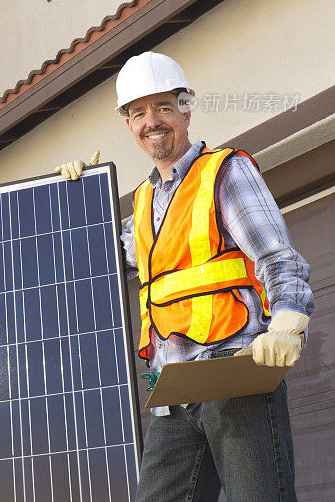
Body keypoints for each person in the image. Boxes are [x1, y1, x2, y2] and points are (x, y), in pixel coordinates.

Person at [55, 51, 314, 502]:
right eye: (138, 112)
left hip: (234, 373)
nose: (151, 121)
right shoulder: (140, 205)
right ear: (129, 124)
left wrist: (289, 321)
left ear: (186, 109)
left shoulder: (224, 171)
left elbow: (277, 255)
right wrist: (75, 200)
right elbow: (91, 262)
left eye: (163, 107)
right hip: (173, 392)